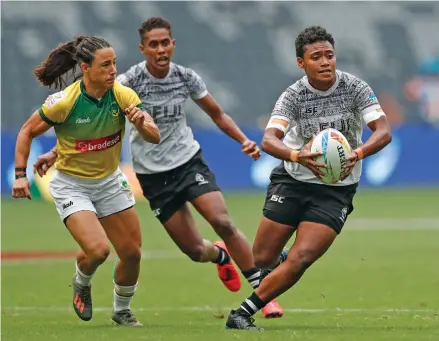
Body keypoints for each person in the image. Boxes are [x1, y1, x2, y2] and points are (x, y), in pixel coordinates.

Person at [33, 17, 286, 318]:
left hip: (188, 162)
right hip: (153, 176)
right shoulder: (126, 82)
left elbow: (217, 114)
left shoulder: (186, 77)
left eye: (165, 42)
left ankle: (263, 291)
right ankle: (218, 254)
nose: (160, 49)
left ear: (173, 44)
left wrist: (244, 140)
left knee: (222, 220)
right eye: (153, 44)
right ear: (143, 49)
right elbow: (92, 127)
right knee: (194, 250)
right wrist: (55, 152)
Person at [225, 25, 393, 330]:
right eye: (317, 57)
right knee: (262, 257)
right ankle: (280, 262)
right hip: (293, 180)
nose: (326, 61)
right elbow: (269, 139)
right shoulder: (294, 94)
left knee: (302, 258)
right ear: (302, 63)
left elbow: (383, 131)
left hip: (336, 189)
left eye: (330, 55)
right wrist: (295, 155)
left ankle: (241, 314)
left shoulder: (355, 87)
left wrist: (359, 153)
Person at [13, 35, 160, 326]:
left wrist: (143, 123)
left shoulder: (122, 94)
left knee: (131, 253)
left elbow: (154, 135)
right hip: (72, 184)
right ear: (85, 68)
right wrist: (20, 175)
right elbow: (27, 132)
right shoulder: (64, 102)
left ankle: (121, 311)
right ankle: (82, 280)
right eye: (105, 65)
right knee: (99, 251)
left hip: (109, 182)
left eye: (114, 63)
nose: (113, 70)